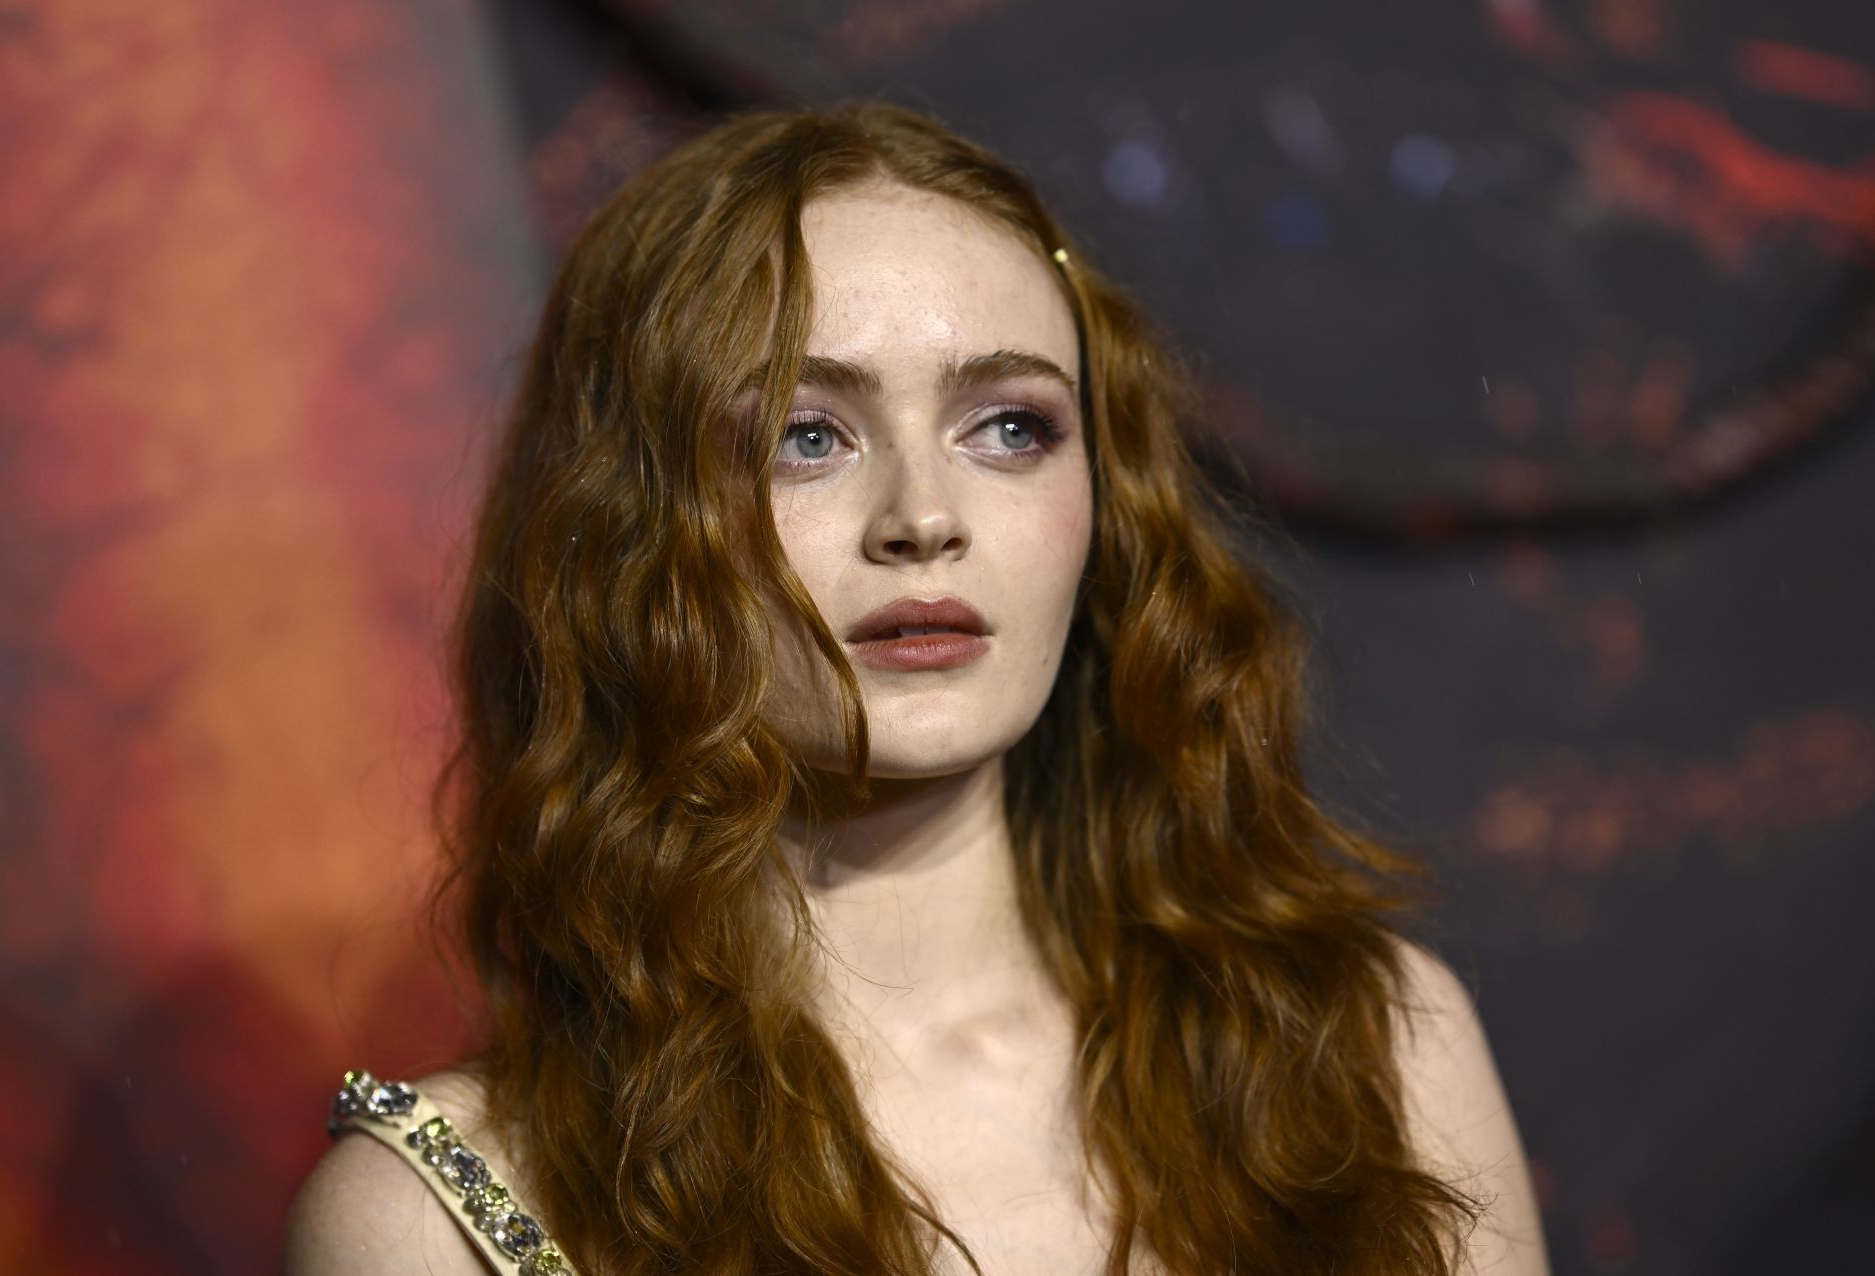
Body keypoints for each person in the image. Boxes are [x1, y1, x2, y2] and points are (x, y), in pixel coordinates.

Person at [282, 101, 1549, 1276]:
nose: (925, 517)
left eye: (1009, 427)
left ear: (1105, 495)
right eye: (805, 435)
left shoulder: (1372, 1049)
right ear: (623, 527)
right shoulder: (439, 1216)